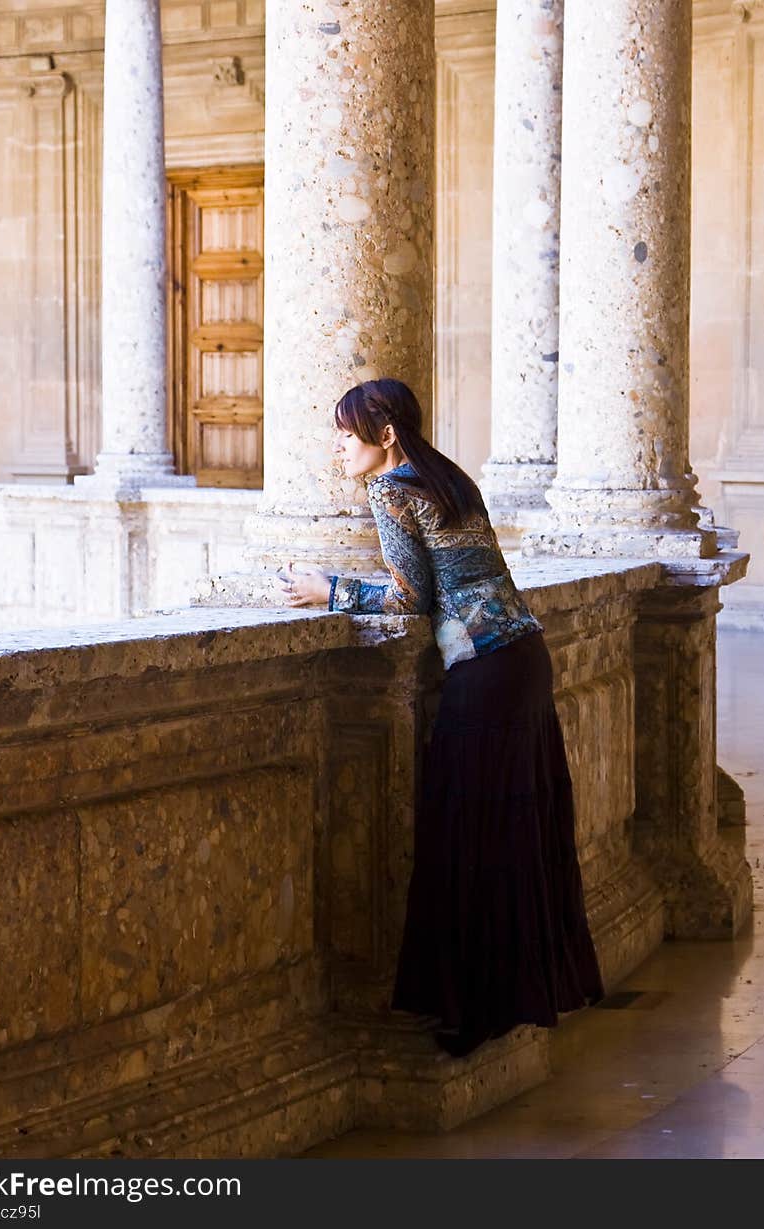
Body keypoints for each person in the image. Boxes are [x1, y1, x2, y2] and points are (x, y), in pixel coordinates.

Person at [281, 377, 603, 1057]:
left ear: (386, 433)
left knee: (467, 833)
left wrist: (327, 588)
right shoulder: (450, 477)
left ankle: (471, 1012)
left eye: (347, 432)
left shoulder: (391, 489)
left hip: (485, 672)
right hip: (524, 655)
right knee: (514, 830)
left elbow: (408, 600)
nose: (339, 446)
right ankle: (511, 997)